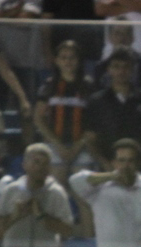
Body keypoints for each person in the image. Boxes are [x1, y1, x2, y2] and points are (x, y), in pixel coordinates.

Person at [83, 46, 141, 174]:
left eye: (126, 67)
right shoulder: (97, 101)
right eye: (116, 66)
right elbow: (90, 139)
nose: (121, 71)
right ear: (108, 70)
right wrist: (105, 164)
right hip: (109, 169)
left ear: (132, 70)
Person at [33, 40, 96, 185]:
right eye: (63, 57)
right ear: (56, 60)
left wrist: (77, 147)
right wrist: (58, 145)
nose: (68, 61)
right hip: (55, 146)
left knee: (83, 190)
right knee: (55, 189)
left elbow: (95, 121)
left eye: (72, 57)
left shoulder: (89, 86)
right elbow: (38, 118)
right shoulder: (49, 86)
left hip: (82, 146)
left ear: (79, 60)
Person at [0, 143, 73, 247]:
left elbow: (68, 231)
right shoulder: (10, 191)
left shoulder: (57, 193)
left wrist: (41, 215)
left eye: (45, 163)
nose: (41, 167)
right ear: (24, 164)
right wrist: (15, 216)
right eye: (36, 162)